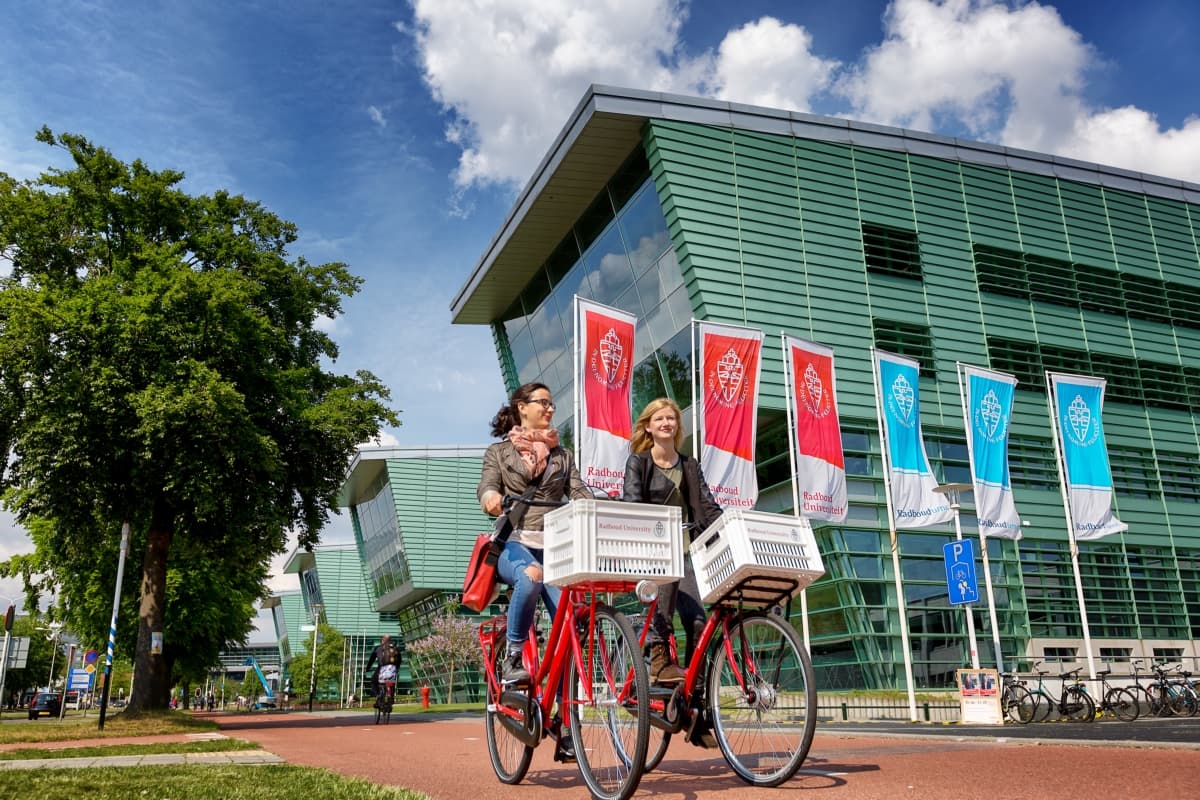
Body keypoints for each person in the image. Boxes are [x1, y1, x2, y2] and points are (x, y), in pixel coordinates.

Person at [478, 382, 592, 687]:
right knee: (531, 575)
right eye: (543, 402)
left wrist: (600, 508)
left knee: (569, 626)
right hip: (514, 543)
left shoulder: (562, 456)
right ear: (522, 407)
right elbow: (488, 487)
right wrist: (492, 499)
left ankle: (564, 721)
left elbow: (579, 493)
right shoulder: (499, 452)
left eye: (551, 404)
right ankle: (513, 656)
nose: (549, 408)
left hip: (555, 549)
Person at [622, 397, 723, 684]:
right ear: (648, 427)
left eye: (671, 418)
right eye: (659, 419)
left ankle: (695, 688)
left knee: (699, 622)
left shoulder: (689, 464)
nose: (666, 423)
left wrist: (730, 527)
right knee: (664, 610)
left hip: (686, 550)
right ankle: (658, 661)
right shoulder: (639, 463)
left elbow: (708, 505)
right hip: (653, 551)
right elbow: (632, 505)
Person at [364, 634, 401, 706]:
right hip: (392, 669)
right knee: (391, 682)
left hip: (382, 669)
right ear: (390, 641)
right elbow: (399, 660)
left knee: (373, 682)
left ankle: (378, 696)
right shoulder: (395, 648)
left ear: (382, 640)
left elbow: (371, 660)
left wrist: (367, 669)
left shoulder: (378, 648)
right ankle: (391, 697)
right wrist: (396, 669)